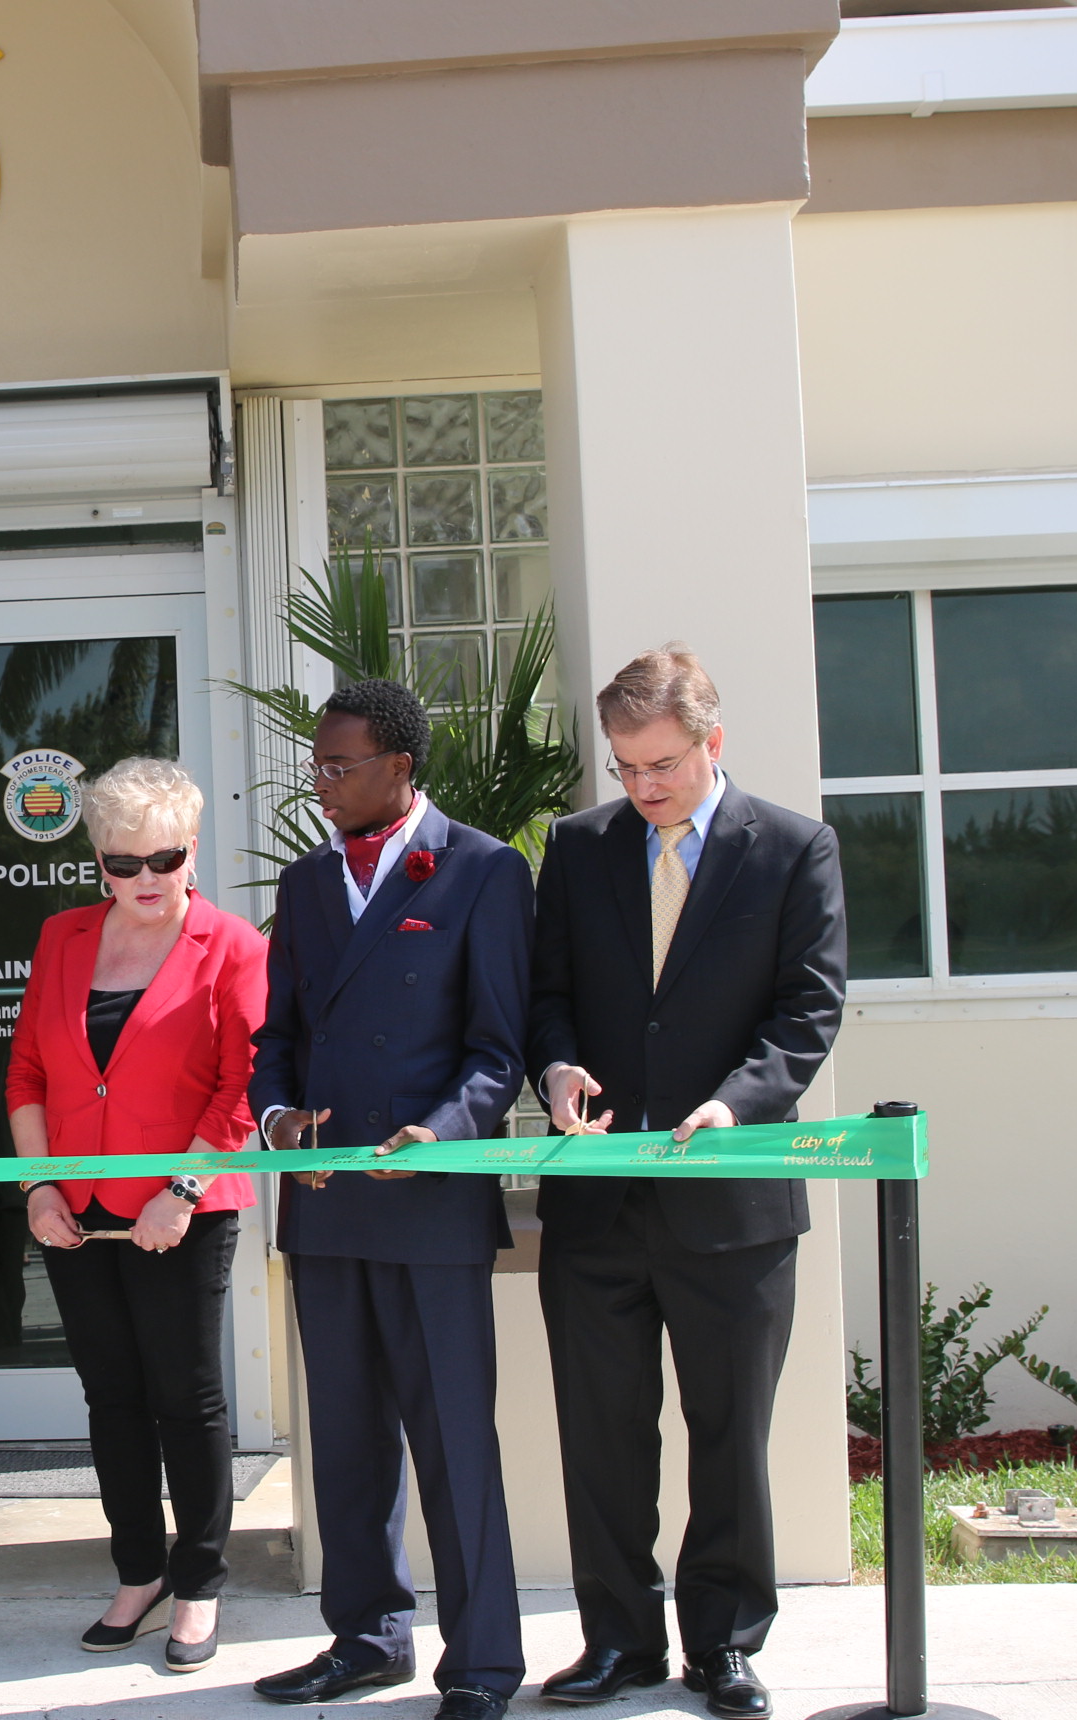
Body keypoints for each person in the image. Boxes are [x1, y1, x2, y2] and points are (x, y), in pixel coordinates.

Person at [527, 646, 846, 1720]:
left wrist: (737, 1105)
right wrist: (557, 1066)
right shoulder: (576, 849)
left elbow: (807, 1010)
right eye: (624, 768)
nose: (641, 787)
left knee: (728, 1434)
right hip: (598, 1209)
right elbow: (549, 995)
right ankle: (618, 1643)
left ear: (714, 741)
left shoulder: (795, 849)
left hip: (733, 1207)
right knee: (603, 1439)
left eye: (660, 764)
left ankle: (724, 1646)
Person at [247, 678, 531, 1720]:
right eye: (315, 766)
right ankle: (364, 1637)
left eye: (340, 766)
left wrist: (445, 1134)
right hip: (323, 1202)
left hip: (431, 1206)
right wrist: (275, 1121)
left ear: (401, 768)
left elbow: (499, 1052)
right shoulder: (308, 883)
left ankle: (484, 1665)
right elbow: (275, 1039)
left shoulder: (485, 871)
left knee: (455, 1440)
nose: (321, 784)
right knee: (348, 1437)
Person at [4, 758, 264, 1675]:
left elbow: (244, 1088)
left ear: (192, 850)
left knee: (185, 1401)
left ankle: (198, 1584)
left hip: (182, 1211)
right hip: (73, 1212)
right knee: (110, 1399)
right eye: (122, 863)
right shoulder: (63, 937)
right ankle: (137, 1572)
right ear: (97, 863)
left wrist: (181, 1190)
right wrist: (38, 1188)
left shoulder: (233, 944)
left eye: (163, 858)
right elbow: (29, 1073)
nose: (144, 879)